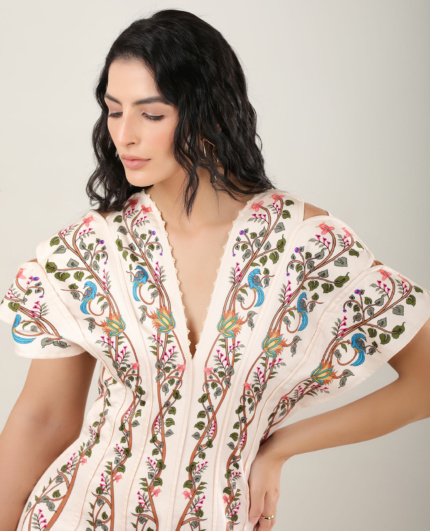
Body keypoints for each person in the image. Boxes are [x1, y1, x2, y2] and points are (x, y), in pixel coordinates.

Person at [0, 8, 429, 531]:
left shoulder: (307, 247)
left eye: (151, 115)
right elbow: (43, 419)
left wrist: (281, 448)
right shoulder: (88, 250)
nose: (124, 135)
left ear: (213, 114)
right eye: (113, 111)